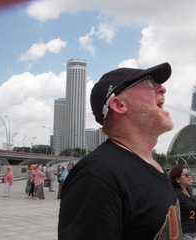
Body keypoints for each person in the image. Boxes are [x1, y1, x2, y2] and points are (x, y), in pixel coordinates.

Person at [58, 62, 181, 239]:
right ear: (119, 104)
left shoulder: (154, 166)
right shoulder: (96, 175)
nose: (162, 89)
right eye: (149, 83)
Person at [170, 165, 196, 240]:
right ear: (177, 179)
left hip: (191, 232)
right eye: (186, 175)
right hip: (184, 233)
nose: (189, 177)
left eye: (189, 174)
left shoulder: (187, 192)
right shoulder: (176, 194)